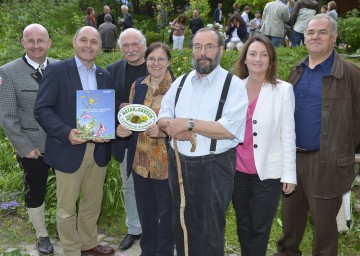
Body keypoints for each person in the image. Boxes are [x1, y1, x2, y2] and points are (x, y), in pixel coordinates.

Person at [158, 28, 248, 256]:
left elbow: (229, 129)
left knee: (209, 229)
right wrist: (173, 128)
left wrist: (189, 124)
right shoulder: (180, 82)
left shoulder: (234, 85)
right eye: (198, 47)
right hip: (179, 162)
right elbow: (162, 117)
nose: (203, 53)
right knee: (181, 224)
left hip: (214, 166)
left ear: (220, 50)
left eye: (209, 47)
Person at [276, 14, 360, 256]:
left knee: (324, 233)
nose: (315, 36)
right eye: (311, 32)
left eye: (322, 32)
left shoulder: (350, 75)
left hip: (327, 164)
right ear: (304, 38)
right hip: (293, 161)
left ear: (333, 38)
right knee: (290, 227)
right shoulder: (296, 71)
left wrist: (340, 149)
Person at [34, 26, 115, 256]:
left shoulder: (105, 74)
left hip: (98, 150)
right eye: (83, 40)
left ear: (100, 46)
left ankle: (89, 243)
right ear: (74, 42)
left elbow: (105, 110)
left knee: (92, 202)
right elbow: (42, 109)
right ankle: (71, 249)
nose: (88, 46)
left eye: (94, 42)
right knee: (67, 207)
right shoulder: (57, 70)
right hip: (68, 148)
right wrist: (65, 131)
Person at [232, 34, 296, 256]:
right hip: (237, 170)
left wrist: (289, 174)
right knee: (243, 223)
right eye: (252, 54)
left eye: (263, 54)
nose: (257, 59)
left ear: (271, 59)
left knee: (260, 226)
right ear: (245, 59)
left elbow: (288, 134)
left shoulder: (283, 90)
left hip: (268, 171)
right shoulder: (234, 88)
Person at [0, 23, 55, 256]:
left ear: (48, 43)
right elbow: (7, 115)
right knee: (35, 190)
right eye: (30, 41)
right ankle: (42, 234)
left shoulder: (61, 68)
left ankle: (67, 228)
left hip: (63, 143)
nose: (35, 45)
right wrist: (25, 147)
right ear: (23, 42)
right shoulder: (8, 71)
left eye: (40, 40)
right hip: (32, 146)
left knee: (68, 189)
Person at [116, 42, 174, 256]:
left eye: (161, 59)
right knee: (146, 211)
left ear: (168, 61)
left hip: (166, 163)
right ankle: (147, 250)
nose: (156, 63)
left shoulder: (178, 87)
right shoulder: (138, 85)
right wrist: (123, 129)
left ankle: (165, 251)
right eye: (151, 59)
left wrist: (165, 131)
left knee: (166, 212)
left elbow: (187, 124)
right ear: (146, 60)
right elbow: (133, 119)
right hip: (140, 161)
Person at [106, 28, 146, 251]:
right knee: (128, 187)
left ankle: (155, 228)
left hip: (153, 142)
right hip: (124, 141)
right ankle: (134, 228)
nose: (130, 50)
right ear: (121, 48)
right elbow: (102, 104)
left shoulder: (158, 67)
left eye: (135, 45)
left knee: (156, 189)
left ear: (143, 45)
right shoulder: (112, 70)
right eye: (126, 46)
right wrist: (117, 114)